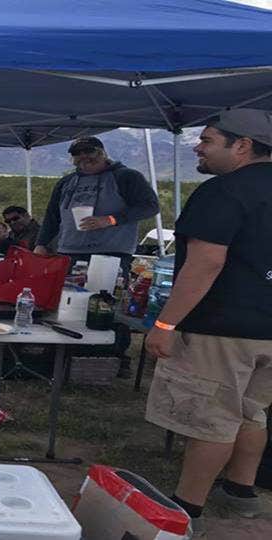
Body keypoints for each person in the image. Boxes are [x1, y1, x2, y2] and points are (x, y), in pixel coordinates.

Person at [144, 109, 272, 534]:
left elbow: (205, 262)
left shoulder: (223, 192)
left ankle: (186, 510)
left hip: (222, 326)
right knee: (251, 413)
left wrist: (165, 324)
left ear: (242, 145)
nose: (197, 147)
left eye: (208, 140)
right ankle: (240, 492)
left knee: (212, 418)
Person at [33, 137, 160, 277]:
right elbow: (52, 217)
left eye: (89, 151)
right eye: (77, 153)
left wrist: (110, 220)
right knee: (66, 296)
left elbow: (150, 206)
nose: (83, 157)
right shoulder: (66, 182)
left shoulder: (125, 176)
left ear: (102, 153)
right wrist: (41, 244)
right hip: (68, 252)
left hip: (110, 254)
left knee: (103, 297)